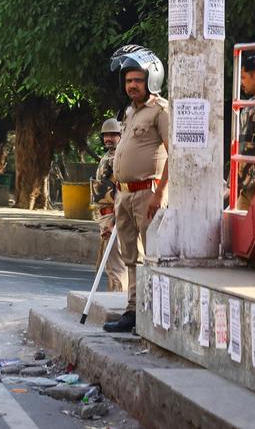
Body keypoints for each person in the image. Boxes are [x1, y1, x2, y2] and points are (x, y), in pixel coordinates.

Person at [104, 45, 169, 334]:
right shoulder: (130, 113)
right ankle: (132, 312)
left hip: (147, 194)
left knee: (151, 257)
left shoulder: (161, 111)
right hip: (125, 194)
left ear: (151, 79)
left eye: (138, 80)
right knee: (130, 256)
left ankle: (152, 314)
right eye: (129, 80)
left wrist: (160, 193)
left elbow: (175, 153)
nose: (132, 85)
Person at [90, 118, 127, 292]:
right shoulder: (109, 156)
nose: (109, 138)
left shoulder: (121, 158)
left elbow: (122, 192)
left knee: (116, 267)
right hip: (105, 215)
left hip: (114, 216)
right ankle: (114, 298)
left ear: (121, 136)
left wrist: (114, 222)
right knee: (109, 266)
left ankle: (121, 301)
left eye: (113, 135)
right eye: (106, 135)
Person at [237, 53, 255, 211]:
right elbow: (243, 145)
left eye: (244, 77)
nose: (241, 82)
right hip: (247, 184)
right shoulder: (248, 106)